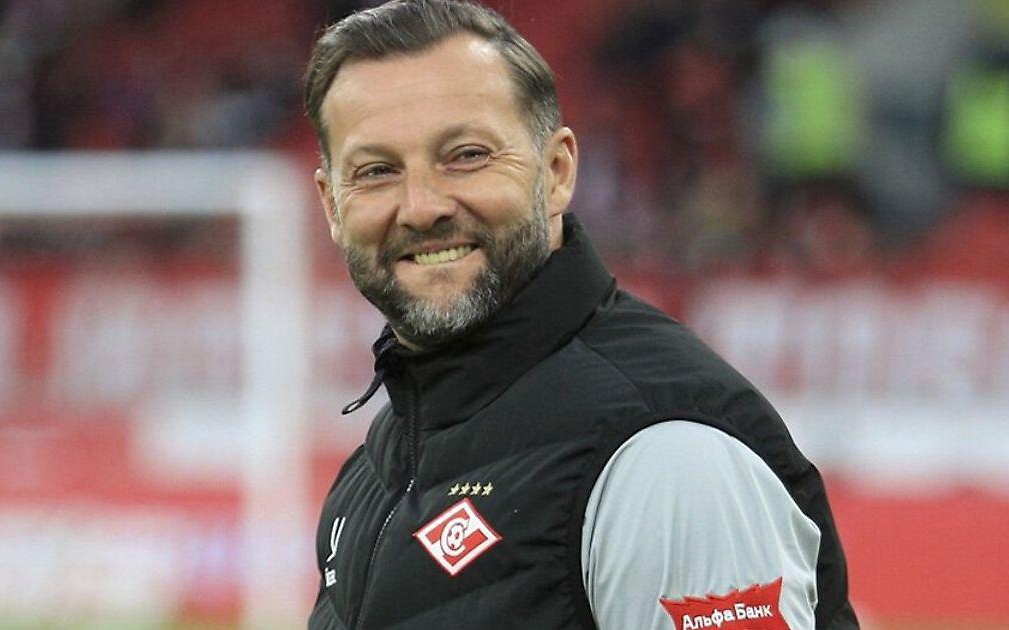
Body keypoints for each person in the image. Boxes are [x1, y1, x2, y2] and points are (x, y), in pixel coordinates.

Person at [302, 1, 859, 628]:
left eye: (467, 155)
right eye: (377, 171)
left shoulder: (666, 455)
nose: (421, 206)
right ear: (332, 205)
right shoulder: (379, 464)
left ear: (557, 172)